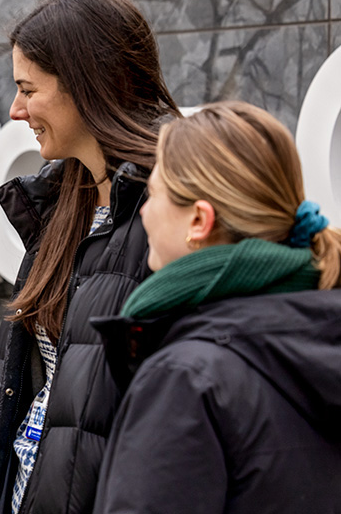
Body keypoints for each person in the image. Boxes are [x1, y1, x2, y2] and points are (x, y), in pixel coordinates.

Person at [0, 0, 182, 514]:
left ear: (86, 86)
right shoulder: (56, 211)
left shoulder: (172, 213)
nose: (17, 110)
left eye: (28, 89)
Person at [92, 101, 341, 513]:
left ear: (199, 221)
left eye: (152, 194)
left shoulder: (185, 379)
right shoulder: (322, 333)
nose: (145, 213)